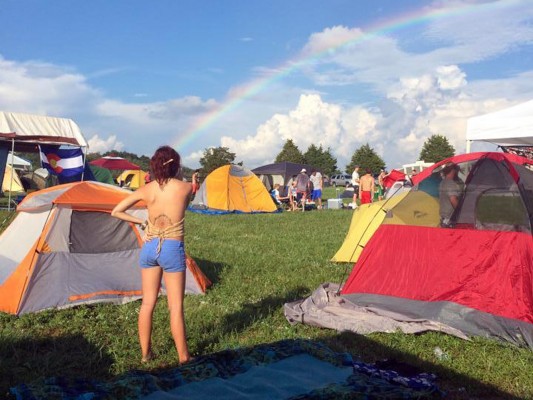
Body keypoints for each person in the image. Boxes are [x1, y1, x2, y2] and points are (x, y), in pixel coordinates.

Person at [111, 146, 192, 364]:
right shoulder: (185, 187)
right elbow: (185, 200)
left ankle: (146, 355)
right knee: (175, 307)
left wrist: (142, 222)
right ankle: (184, 357)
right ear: (176, 165)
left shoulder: (146, 190)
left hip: (149, 247)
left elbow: (116, 210)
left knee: (148, 303)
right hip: (171, 247)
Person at [439, 162, 462, 228]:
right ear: (453, 171)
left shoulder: (442, 182)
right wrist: (460, 212)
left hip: (443, 217)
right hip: (449, 218)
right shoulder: (450, 183)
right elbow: (453, 200)